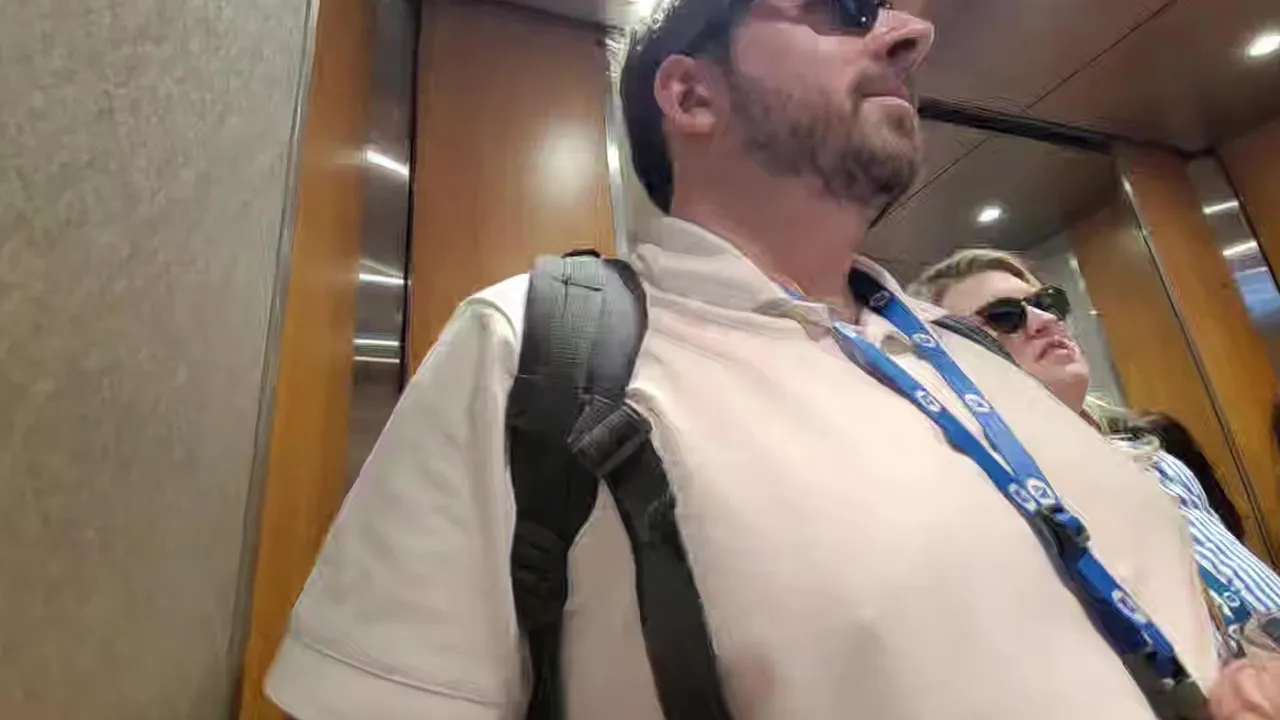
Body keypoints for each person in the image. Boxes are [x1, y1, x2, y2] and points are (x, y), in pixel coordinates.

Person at [263, 1, 1271, 718]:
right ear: (691, 94)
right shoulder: (540, 345)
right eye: (837, 8)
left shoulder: (976, 355)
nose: (910, 33)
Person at [909, 248, 1280, 628]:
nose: (1045, 320)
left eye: (1046, 303)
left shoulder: (1155, 461)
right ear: (944, 360)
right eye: (1003, 316)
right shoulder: (998, 511)